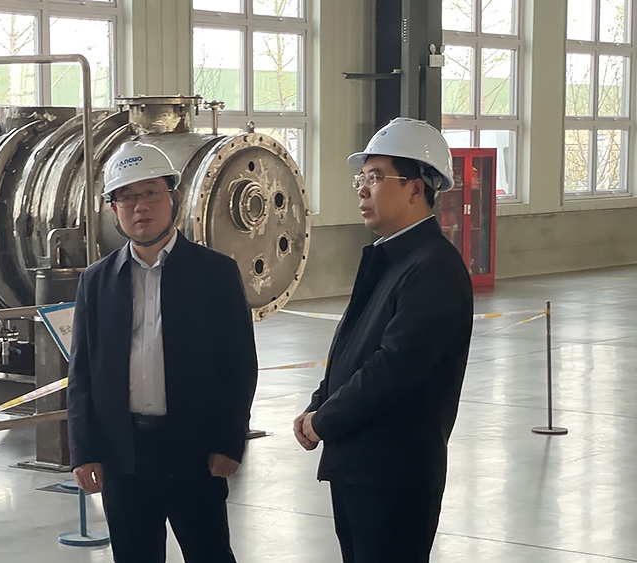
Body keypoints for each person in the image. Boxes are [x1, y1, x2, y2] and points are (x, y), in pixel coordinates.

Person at [66, 141, 259, 563]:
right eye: (127, 197)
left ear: (173, 197)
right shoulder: (97, 281)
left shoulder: (215, 273)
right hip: (124, 453)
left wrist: (230, 441)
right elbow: (82, 373)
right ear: (113, 209)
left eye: (151, 192)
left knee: (209, 553)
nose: (140, 206)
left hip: (195, 450)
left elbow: (239, 366)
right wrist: (83, 450)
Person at [293, 117, 474, 563]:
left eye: (375, 178)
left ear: (416, 188)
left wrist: (325, 420)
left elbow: (393, 369)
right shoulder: (391, 258)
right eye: (361, 179)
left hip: (394, 476)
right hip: (360, 467)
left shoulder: (433, 268)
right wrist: (320, 402)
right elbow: (354, 347)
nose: (362, 190)